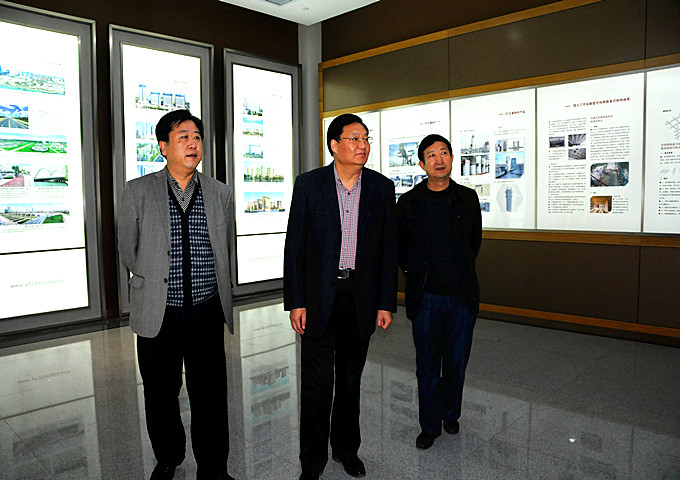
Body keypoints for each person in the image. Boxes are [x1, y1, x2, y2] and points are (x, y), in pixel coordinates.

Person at [118, 110, 235, 480]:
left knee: (210, 394)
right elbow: (128, 249)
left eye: (197, 136)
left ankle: (213, 468)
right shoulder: (138, 191)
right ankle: (168, 457)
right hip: (159, 310)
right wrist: (154, 281)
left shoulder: (219, 192)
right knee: (160, 392)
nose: (193, 142)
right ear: (163, 146)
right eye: (183, 136)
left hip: (206, 309)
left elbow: (224, 248)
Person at [284, 113, 397, 480]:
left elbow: (387, 250)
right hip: (319, 297)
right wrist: (296, 300)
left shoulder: (381, 187)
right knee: (317, 386)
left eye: (365, 138)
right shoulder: (310, 184)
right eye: (354, 138)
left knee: (350, 382)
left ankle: (347, 450)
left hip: (360, 297)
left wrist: (385, 302)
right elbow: (295, 246)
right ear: (334, 145)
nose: (362, 145)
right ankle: (312, 461)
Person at [395, 134, 482, 450]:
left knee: (457, 362)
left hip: (461, 297)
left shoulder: (467, 198)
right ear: (422, 164)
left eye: (444, 153)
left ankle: (450, 414)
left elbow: (474, 242)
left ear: (452, 158)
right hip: (427, 297)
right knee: (428, 366)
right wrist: (416, 276)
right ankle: (429, 425)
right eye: (431, 155)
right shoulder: (409, 203)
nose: (439, 159)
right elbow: (401, 248)